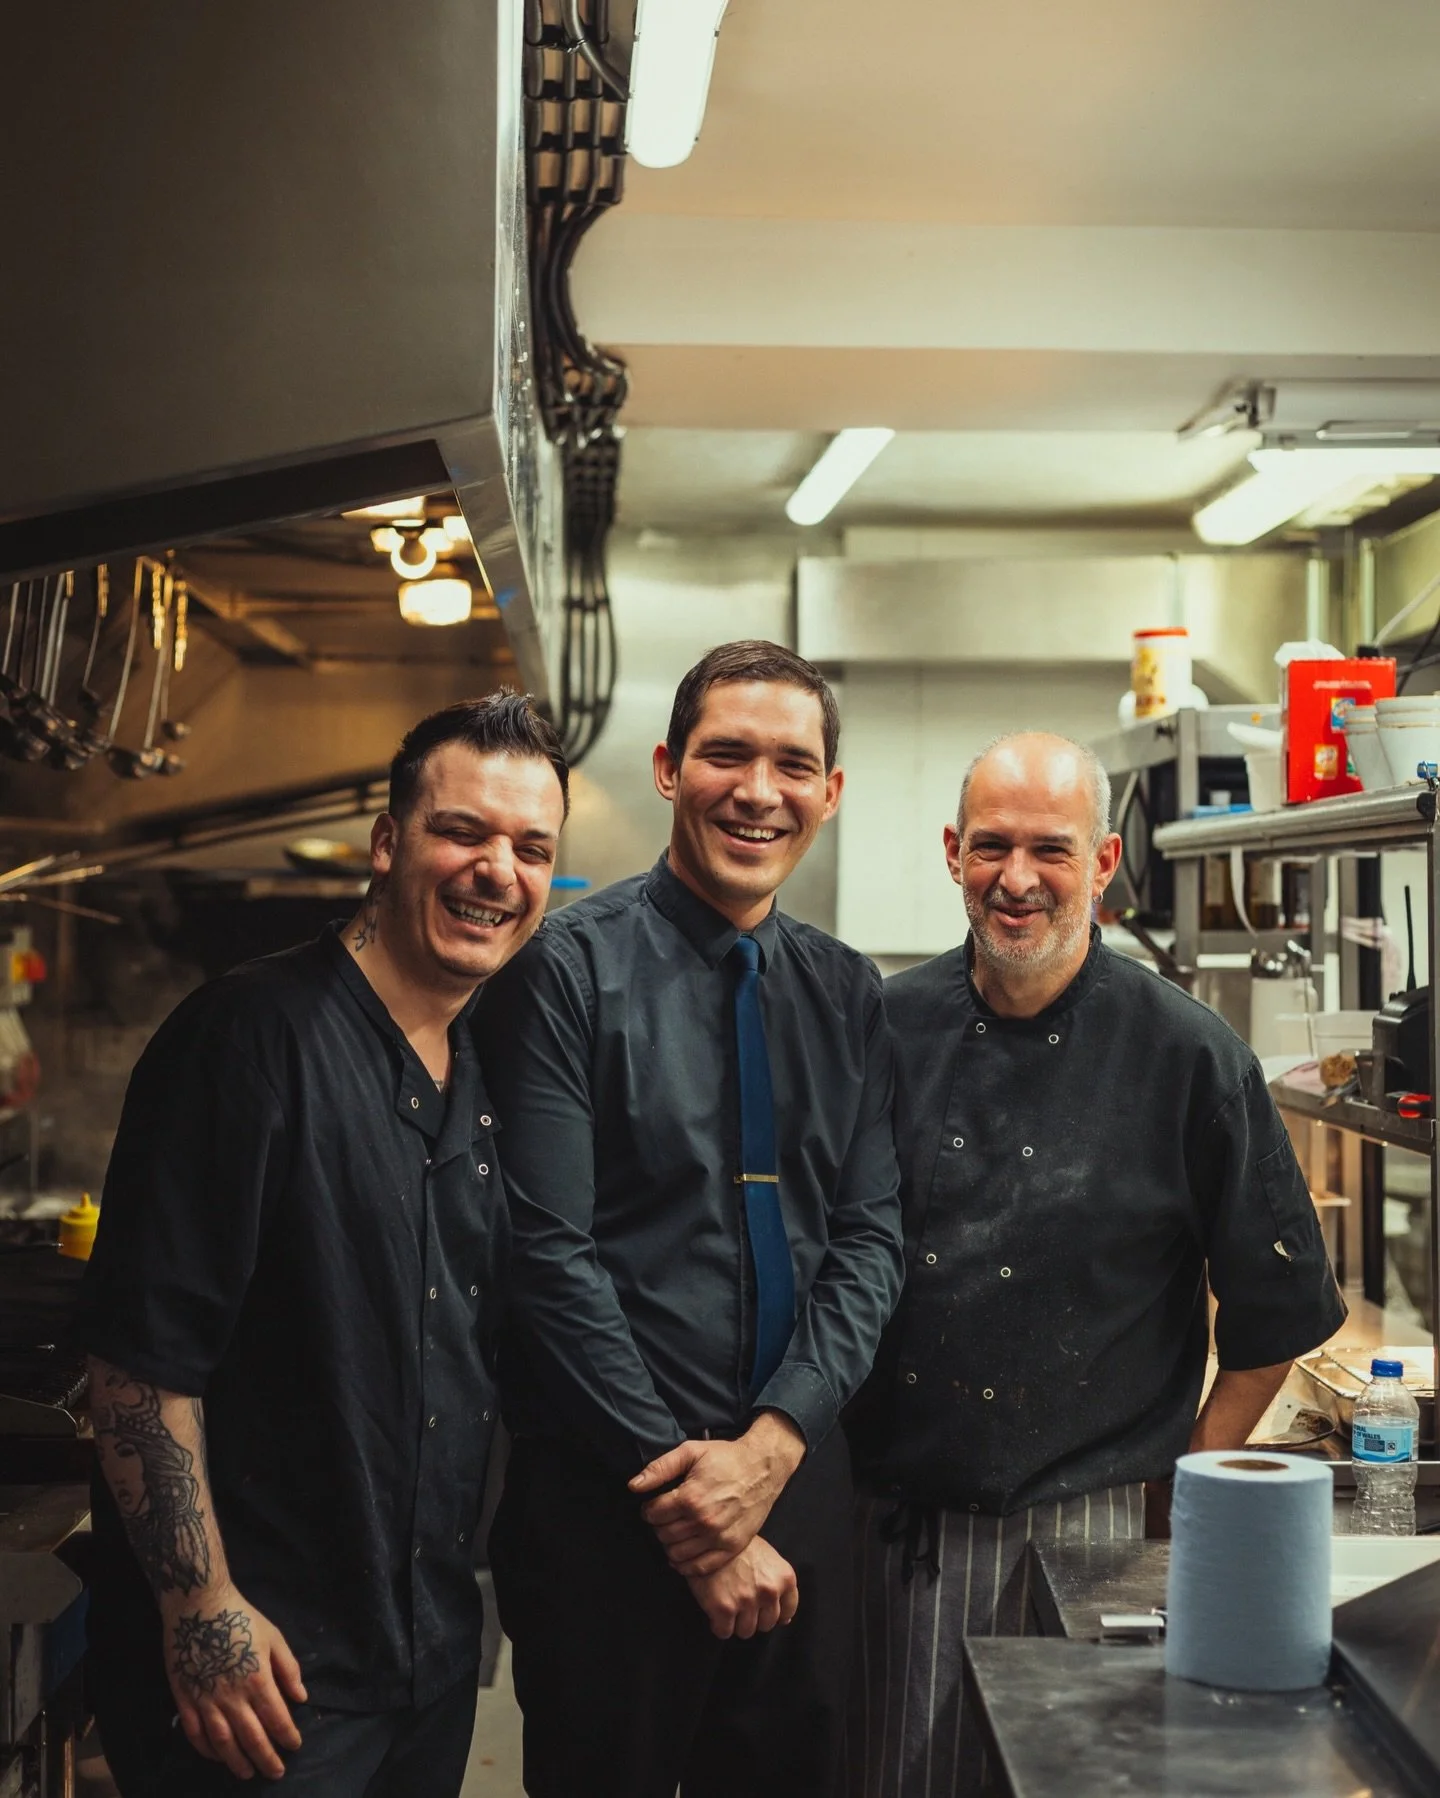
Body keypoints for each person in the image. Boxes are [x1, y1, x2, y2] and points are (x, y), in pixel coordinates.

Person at [77, 693, 570, 1796]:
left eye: (531, 848)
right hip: (262, 1679)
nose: (498, 870)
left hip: (426, 1660)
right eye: (463, 831)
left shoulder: (486, 1067)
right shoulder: (249, 1041)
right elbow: (136, 1367)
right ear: (388, 843)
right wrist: (201, 1606)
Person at [845, 731, 1346, 1798]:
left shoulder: (1188, 1052)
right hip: (900, 1530)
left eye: (1050, 850)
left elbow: (1277, 1313)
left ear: (1105, 861)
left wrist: (1184, 1489)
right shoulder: (881, 1029)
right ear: (952, 851)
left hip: (1104, 1528)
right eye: (991, 846)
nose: (1016, 879)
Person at [475, 640, 905, 1798]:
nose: (758, 791)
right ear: (669, 768)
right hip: (605, 1509)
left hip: (800, 1496)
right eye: (726, 754)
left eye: (792, 764)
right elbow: (550, 1261)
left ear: (830, 791)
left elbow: (867, 1245)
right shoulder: (560, 973)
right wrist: (694, 1513)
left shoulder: (849, 992)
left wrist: (769, 1453)